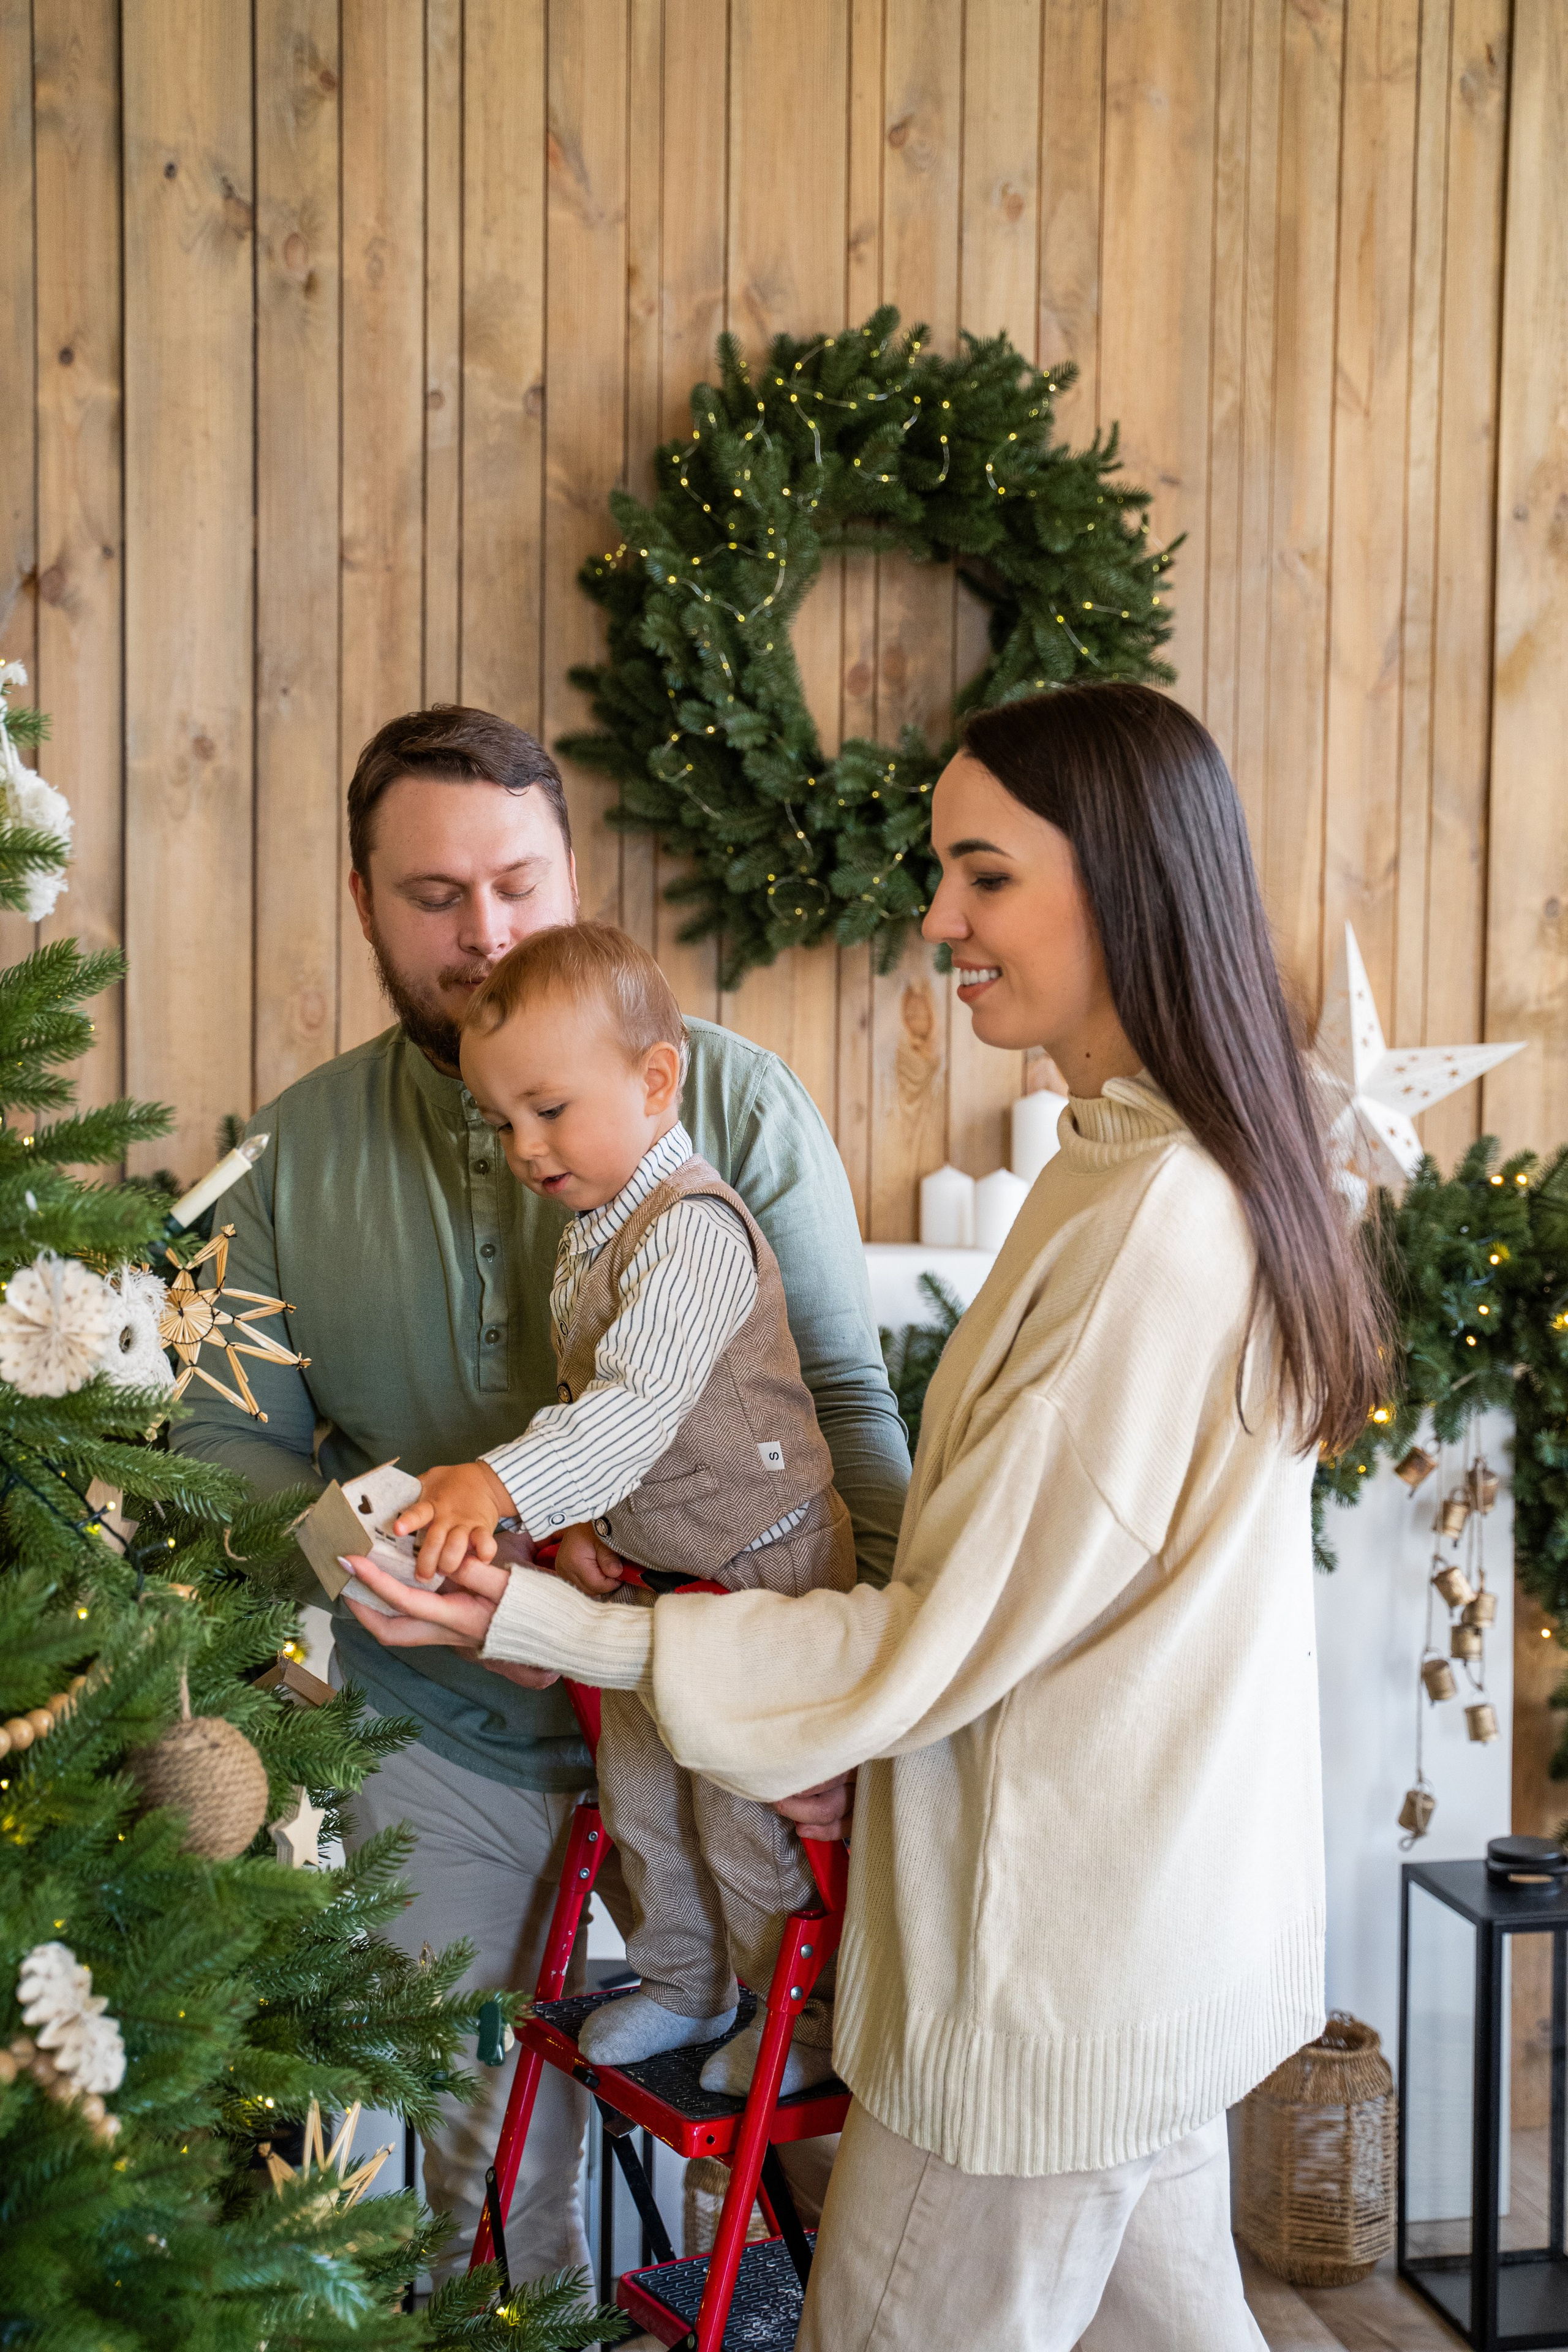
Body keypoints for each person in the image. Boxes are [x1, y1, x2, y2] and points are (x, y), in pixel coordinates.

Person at [345, 681, 1387, 2351]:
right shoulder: (1128, 1158)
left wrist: (544, 1618)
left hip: (1037, 1976)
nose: (940, 919)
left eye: (983, 874)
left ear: (1116, 881)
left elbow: (937, 1640)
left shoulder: (1156, 1227)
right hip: (1138, 1955)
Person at [169, 704, 909, 2282]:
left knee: (796, 2150)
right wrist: (399, 1581)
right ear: (361, 898)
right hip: (442, 1738)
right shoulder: (289, 1156)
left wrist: (869, 1706)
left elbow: (843, 1408)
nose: (485, 930)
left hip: (743, 1692)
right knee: (474, 2156)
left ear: (573, 872)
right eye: (434, 896)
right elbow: (227, 1454)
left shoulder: (738, 1106)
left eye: (518, 882)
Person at [396, 919, 853, 2094]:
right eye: (504, 1123)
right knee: (646, 1802)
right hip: (659, 1583)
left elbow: (635, 1408)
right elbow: (600, 1410)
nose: (526, 1148)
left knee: (746, 1817)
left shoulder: (692, 1231)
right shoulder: (597, 1226)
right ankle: (685, 1982)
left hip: (760, 1572)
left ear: (657, 1081)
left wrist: (500, 1484)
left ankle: (791, 2014)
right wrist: (591, 1528)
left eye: (548, 1110)